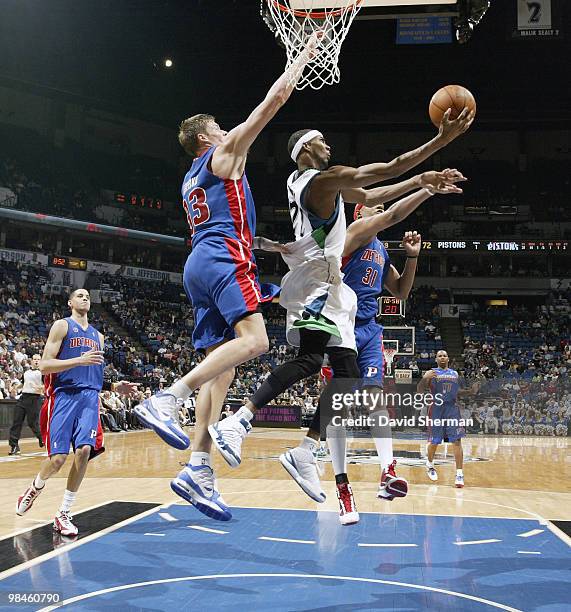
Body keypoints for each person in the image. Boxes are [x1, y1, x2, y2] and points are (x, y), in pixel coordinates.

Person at [208, 110, 473, 505]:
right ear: (305, 151)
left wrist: (423, 183)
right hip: (317, 283)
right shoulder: (322, 182)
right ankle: (239, 419)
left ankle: (303, 451)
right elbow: (385, 175)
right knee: (312, 361)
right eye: (321, 140)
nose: (328, 146)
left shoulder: (318, 187)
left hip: (328, 288)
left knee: (345, 380)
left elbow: (373, 196)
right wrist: (439, 142)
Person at [134, 33, 322, 522]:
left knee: (224, 368)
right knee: (256, 342)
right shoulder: (222, 156)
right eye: (218, 127)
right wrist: (304, 53)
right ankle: (167, 397)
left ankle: (198, 466)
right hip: (222, 257)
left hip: (200, 261)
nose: (225, 130)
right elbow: (273, 100)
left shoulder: (189, 178)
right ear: (205, 137)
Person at [324, 174, 464, 524]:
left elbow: (400, 292)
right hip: (341, 329)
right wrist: (426, 188)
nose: (383, 211)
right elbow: (390, 217)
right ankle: (342, 485)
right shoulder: (350, 236)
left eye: (385, 207)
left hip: (370, 330)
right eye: (377, 207)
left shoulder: (381, 248)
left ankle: (388, 471)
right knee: (338, 410)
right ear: (359, 213)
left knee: (375, 400)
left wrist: (413, 257)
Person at [16, 289, 136, 536]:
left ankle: (63, 513)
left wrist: (114, 386)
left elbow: (92, 374)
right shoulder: (62, 326)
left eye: (88, 296)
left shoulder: (99, 337)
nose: (85, 298)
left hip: (90, 399)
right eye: (80, 295)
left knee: (84, 451)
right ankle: (35, 487)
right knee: (58, 460)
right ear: (70, 302)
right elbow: (44, 365)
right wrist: (77, 361)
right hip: (63, 396)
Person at [417, 350, 465, 488]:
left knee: (456, 440)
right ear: (436, 359)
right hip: (436, 409)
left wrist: (470, 392)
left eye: (444, 355)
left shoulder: (455, 374)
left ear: (448, 358)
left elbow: (456, 391)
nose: (442, 357)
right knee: (435, 441)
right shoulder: (431, 373)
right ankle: (430, 464)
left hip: (452, 409)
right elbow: (419, 389)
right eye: (440, 356)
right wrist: (424, 378)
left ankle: (459, 474)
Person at [8, 353, 44, 455]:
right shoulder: (27, 372)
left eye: (38, 359)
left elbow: (47, 386)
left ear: (40, 361)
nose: (36, 361)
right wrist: (15, 387)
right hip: (23, 398)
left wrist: (39, 388)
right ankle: (14, 446)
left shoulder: (43, 372)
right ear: (31, 360)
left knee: (32, 423)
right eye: (35, 359)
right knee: (16, 421)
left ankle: (42, 438)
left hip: (35, 399)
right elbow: (23, 384)